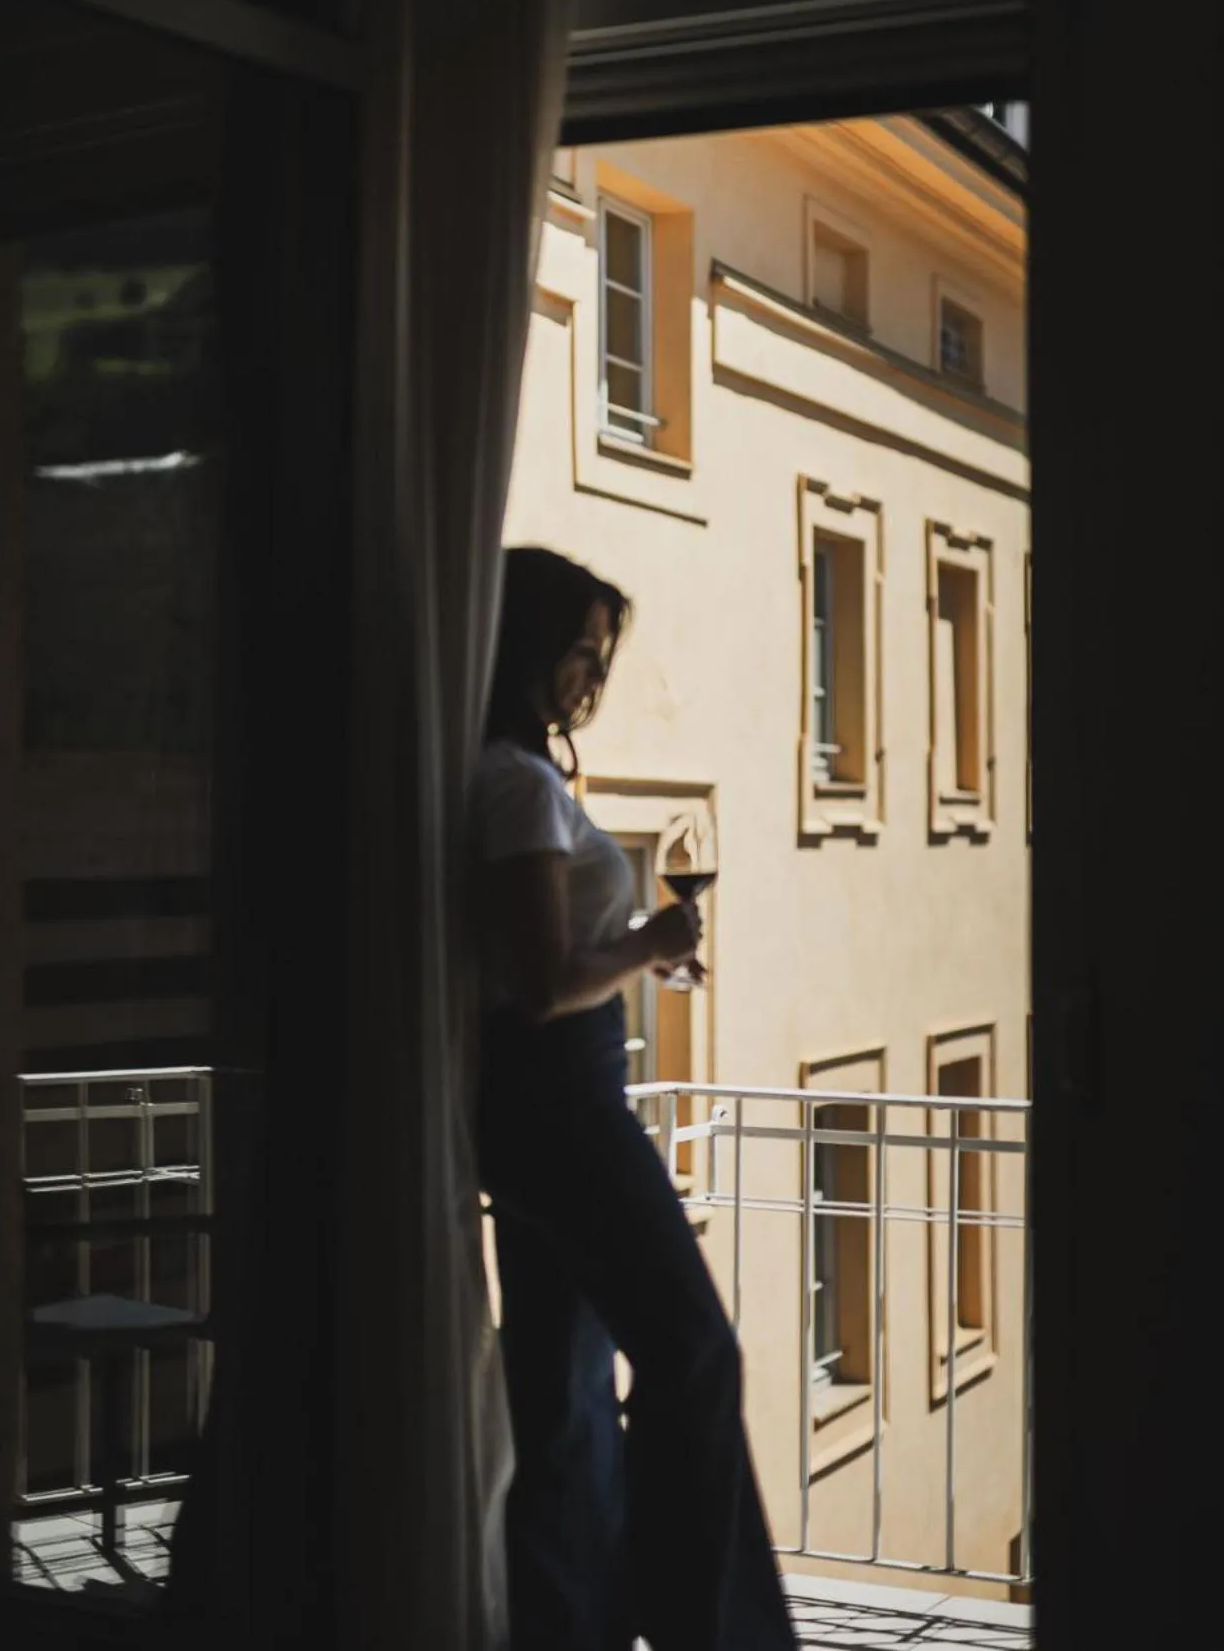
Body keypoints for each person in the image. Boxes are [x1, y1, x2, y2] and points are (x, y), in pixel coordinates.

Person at [473, 546, 798, 1651]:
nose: (590, 676)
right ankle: (711, 1627)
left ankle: (569, 1625)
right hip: (560, 1106)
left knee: (562, 1395)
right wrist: (652, 940)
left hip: (531, 1112)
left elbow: (546, 960)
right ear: (530, 646)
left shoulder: (513, 773)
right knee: (696, 1351)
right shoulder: (515, 781)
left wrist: (637, 958)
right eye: (579, 650)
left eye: (600, 656)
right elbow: (537, 982)